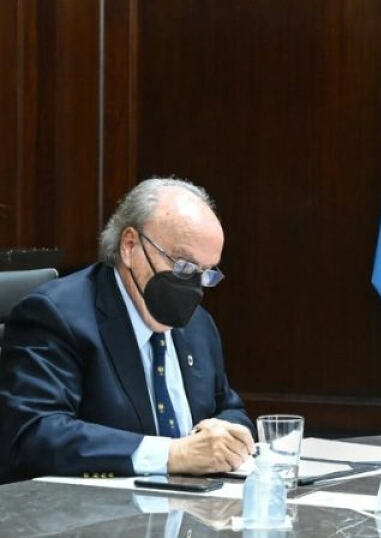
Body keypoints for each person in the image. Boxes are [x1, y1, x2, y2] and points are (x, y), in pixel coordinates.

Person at [0, 178, 255, 483]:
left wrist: (224, 434)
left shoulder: (198, 325)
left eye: (206, 273)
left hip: (192, 505)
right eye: (183, 267)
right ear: (130, 245)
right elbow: (35, 435)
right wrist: (172, 455)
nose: (194, 287)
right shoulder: (57, 315)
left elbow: (231, 410)